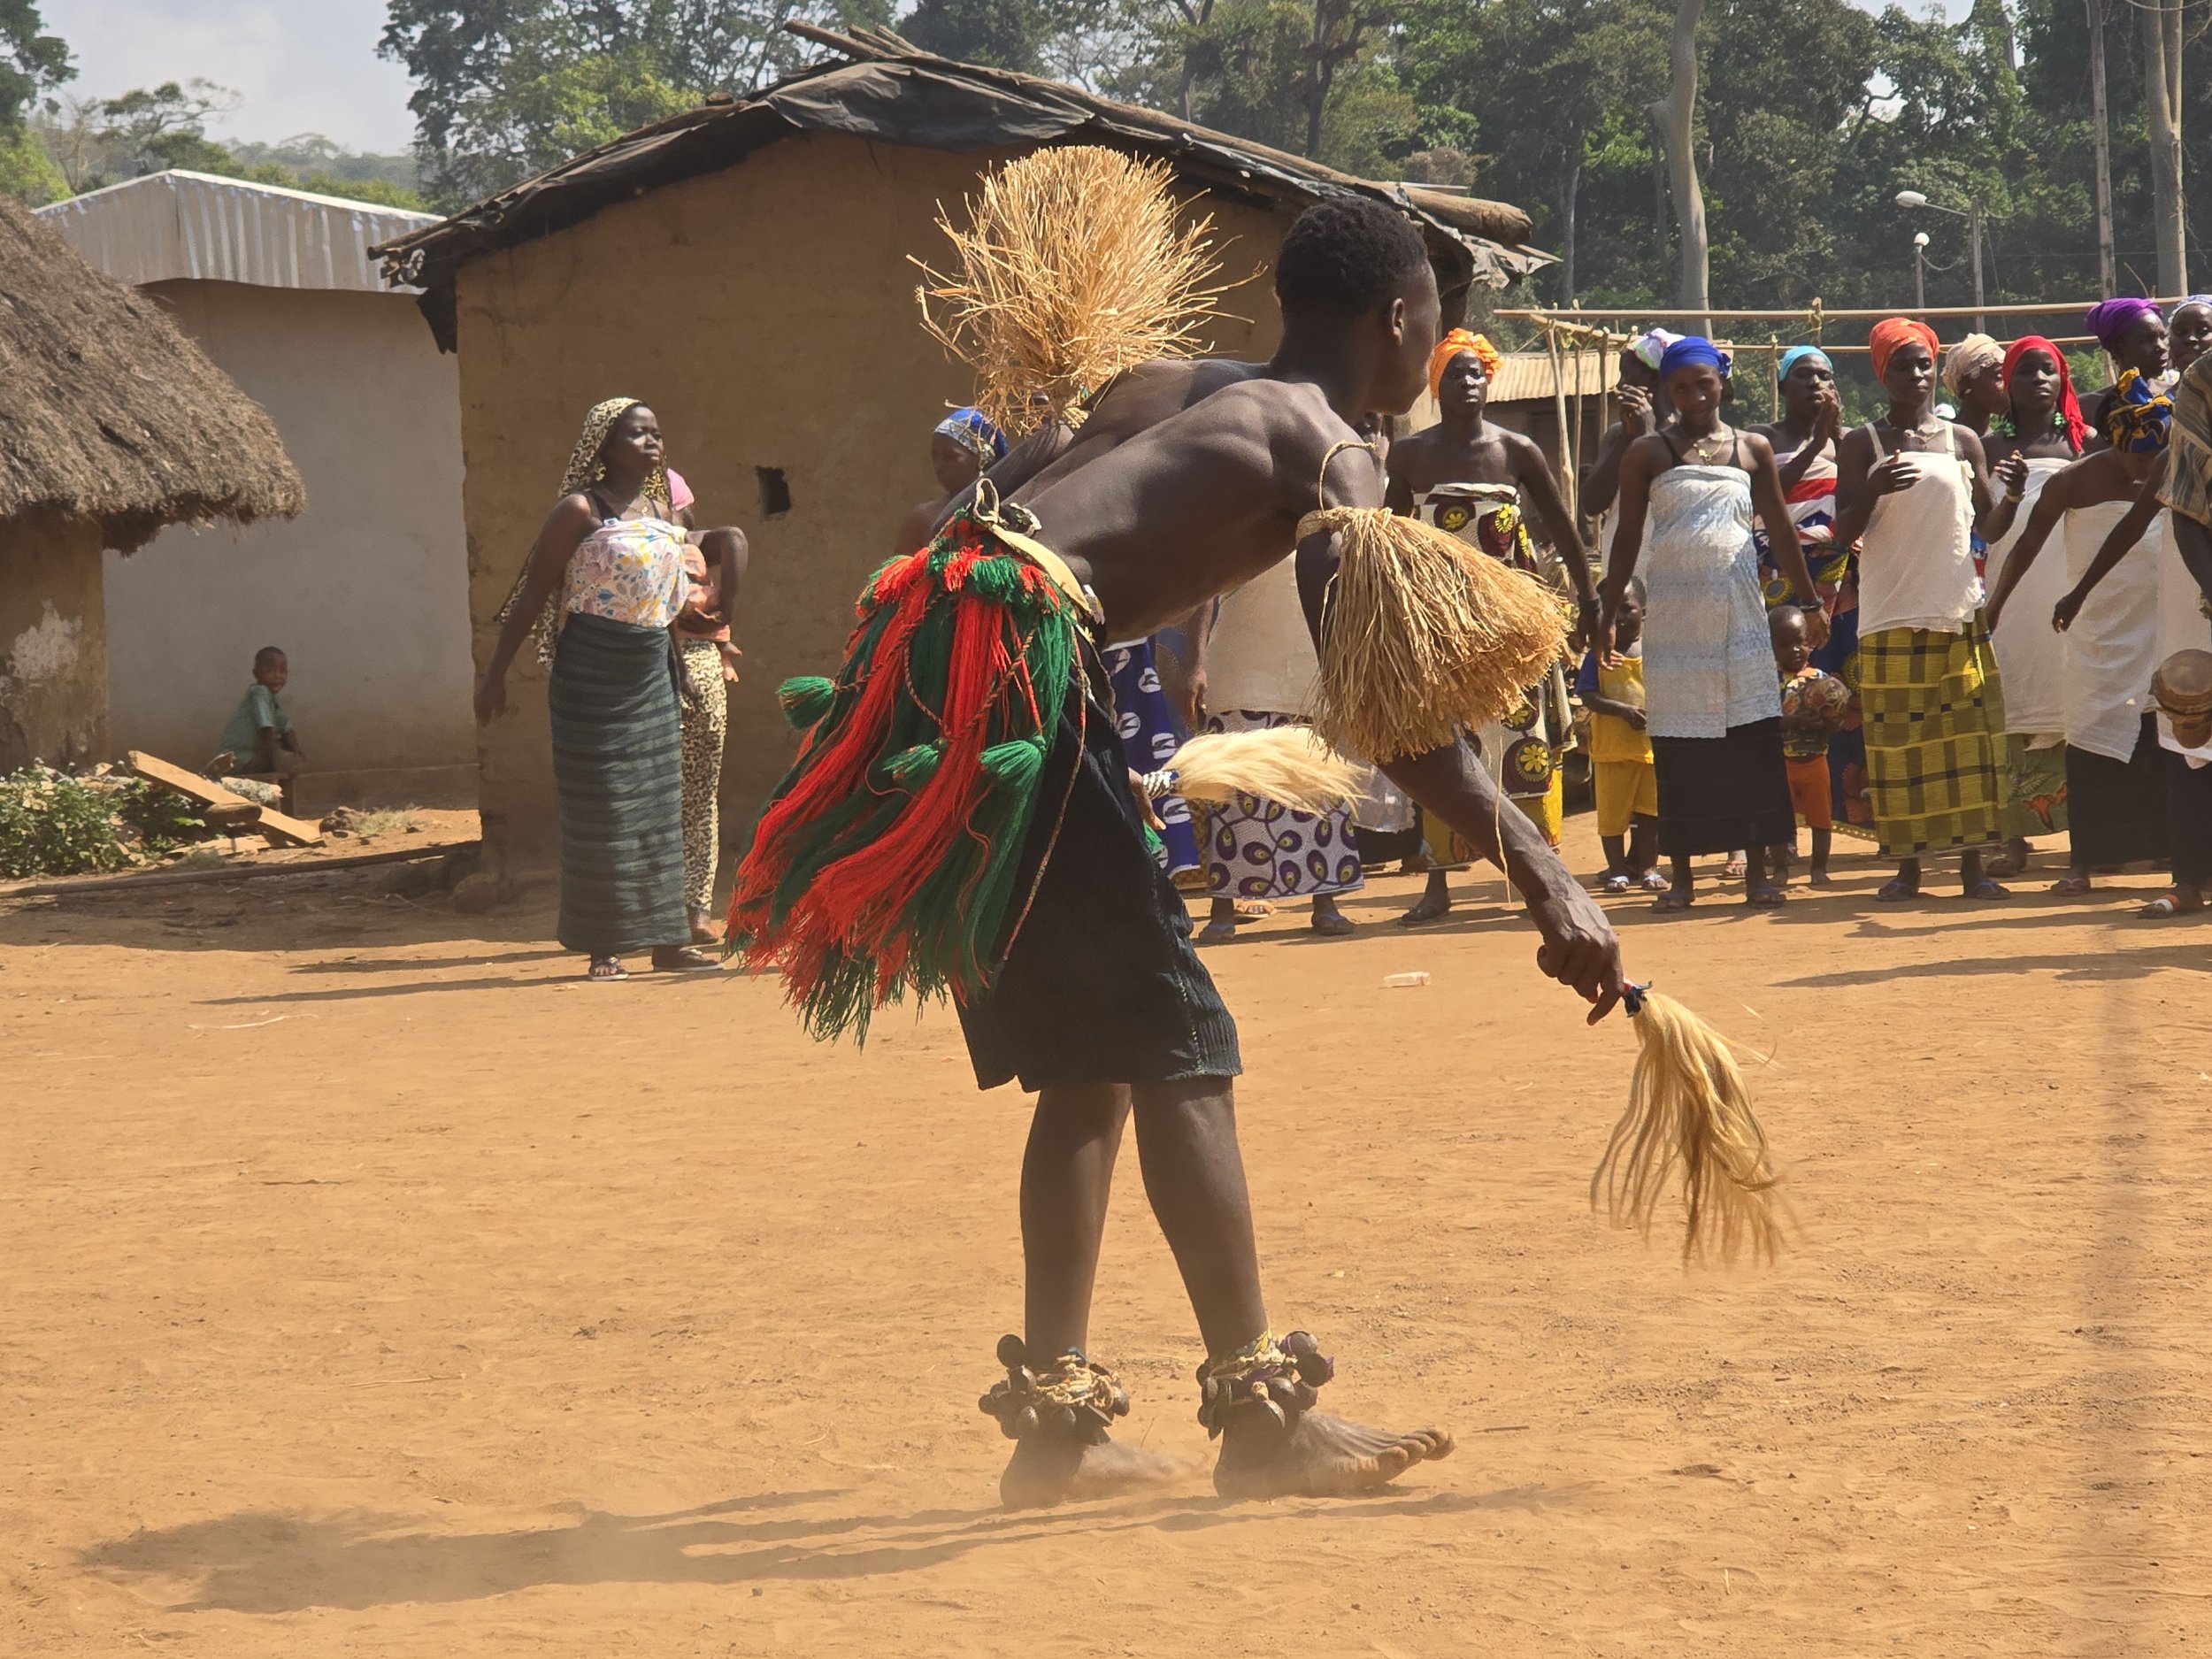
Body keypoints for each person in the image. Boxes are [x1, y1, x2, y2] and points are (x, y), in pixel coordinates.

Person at [730, 197, 1624, 1509]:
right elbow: (1388, 708)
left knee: (1091, 1063)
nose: (1439, 345)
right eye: (1439, 323)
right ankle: (1261, 1419)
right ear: (1398, 321)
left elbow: (970, 514)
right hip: (1026, 679)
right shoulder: (1329, 453)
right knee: (1182, 1043)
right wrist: (1547, 871)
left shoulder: (1169, 384)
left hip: (943, 645)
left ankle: (1058, 1430)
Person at [476, 398, 745, 980]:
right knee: (606, 811)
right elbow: (532, 593)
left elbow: (666, 606)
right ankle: (605, 946)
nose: (651, 442)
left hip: (651, 666)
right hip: (592, 673)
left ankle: (669, 941)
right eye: (635, 433)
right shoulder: (578, 510)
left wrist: (681, 672)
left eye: (655, 433)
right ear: (604, 444)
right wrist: (494, 673)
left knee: (659, 811)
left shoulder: (662, 513)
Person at [1600, 336, 1825, 910]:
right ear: (1667, 390)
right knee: (1681, 746)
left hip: (1741, 622)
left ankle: (1756, 876)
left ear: (1721, 382)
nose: (1693, 396)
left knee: (1748, 744)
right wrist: (1604, 609)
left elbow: (1778, 527)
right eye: (1681, 387)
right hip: (1675, 625)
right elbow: (1627, 538)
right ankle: (1682, 880)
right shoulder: (1648, 453)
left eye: (1703, 384)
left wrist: (1811, 601)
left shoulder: (1751, 449)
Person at [1384, 327, 1598, 925]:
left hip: (1509, 625)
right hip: (1439, 626)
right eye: (1456, 372)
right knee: (1439, 745)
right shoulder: (1410, 456)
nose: (1469, 381)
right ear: (1437, 386)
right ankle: (1438, 883)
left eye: (1477, 371)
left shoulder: (1515, 450)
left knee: (1524, 741)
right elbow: (1391, 536)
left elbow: (1561, 526)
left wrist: (1588, 599)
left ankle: (1543, 874)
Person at [1830, 319, 2024, 902]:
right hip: (1890, 614)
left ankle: (1972, 871)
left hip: (1957, 610)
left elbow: (1989, 525)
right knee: (1898, 749)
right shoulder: (1861, 443)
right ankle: (1908, 871)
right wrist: (1872, 487)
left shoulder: (1962, 440)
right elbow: (1841, 534)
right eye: (1900, 366)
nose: (1913, 375)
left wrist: (2011, 491)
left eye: (1922, 364)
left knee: (1968, 742)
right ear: (1881, 373)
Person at [1985, 303, 2176, 892]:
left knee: (2163, 731)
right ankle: (2083, 862)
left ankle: (2170, 852)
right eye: (2133, 456)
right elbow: (2022, 548)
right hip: (2097, 627)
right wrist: (1993, 611)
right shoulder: (2074, 481)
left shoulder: (2176, 467)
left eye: (2154, 455)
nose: (2142, 468)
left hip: (2163, 618)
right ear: (2111, 442)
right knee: (2092, 733)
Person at [1181, 559, 1360, 940]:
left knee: (1316, 789)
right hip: (1239, 670)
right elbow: (1205, 590)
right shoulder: (1240, 518)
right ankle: (1223, 908)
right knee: (1234, 795)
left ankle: (1325, 903)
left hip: (1307, 672)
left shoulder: (1317, 524)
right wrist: (1196, 664)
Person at [1975, 336, 2085, 876]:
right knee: (2015, 699)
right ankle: (2012, 837)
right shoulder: (1989, 447)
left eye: (2048, 371)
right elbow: (1982, 524)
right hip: (2011, 593)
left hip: (2072, 585)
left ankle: (2087, 833)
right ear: (2007, 385)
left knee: (2075, 698)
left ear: (2062, 379)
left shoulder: (2081, 446)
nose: (2038, 380)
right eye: (2025, 372)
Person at [1751, 346, 1867, 834]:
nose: (1816, 385)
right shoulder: (1761, 439)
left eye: (1825, 376)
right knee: (1780, 691)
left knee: (1846, 692)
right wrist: (1813, 443)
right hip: (1779, 579)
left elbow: (1859, 506)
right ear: (1782, 387)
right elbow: (1765, 499)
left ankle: (1848, 814)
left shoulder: (1850, 442)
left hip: (1844, 580)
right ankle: (1779, 820)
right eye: (1803, 376)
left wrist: (1834, 440)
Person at [2147, 346, 2212, 915]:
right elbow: (2186, 505)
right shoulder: (2204, 379)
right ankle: (2189, 878)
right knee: (2192, 717)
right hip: (2204, 578)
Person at [669, 472, 748, 942]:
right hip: (655, 673)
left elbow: (734, 538)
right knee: (677, 799)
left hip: (693, 673)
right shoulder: (632, 548)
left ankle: (694, 910)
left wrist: (728, 609)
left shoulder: (689, 546)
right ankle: (680, 911)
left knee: (695, 796)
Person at [1576, 579, 1662, 892]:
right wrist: (1622, 710)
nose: (1618, 618)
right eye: (1609, 611)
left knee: (1650, 815)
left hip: (1650, 750)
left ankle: (1650, 868)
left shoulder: (1655, 653)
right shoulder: (1597, 655)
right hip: (1611, 751)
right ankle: (1617, 871)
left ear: (1645, 611)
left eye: (1626, 608)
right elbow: (1587, 694)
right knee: (1612, 817)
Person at [1770, 605, 1844, 885]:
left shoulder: (1822, 682)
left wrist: (1828, 723)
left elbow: (1834, 723)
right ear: (1771, 647)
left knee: (1821, 819)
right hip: (1781, 764)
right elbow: (1765, 721)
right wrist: (1794, 722)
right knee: (1779, 820)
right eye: (1785, 644)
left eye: (1800, 642)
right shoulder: (1770, 682)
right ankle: (1780, 870)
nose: (1795, 650)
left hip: (1815, 762)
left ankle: (1818, 868)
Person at [894, 407, 1007, 556]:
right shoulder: (922, 520)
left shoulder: (1008, 519)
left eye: (950, 457)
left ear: (981, 460)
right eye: (935, 456)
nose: (939, 466)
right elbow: (899, 576)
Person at [210, 646, 303, 814]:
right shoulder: (259, 692)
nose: (278, 676)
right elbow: (266, 729)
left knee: (292, 762)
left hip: (254, 754)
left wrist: (297, 752)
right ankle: (279, 812)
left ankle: (284, 811)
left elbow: (286, 728)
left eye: (283, 671)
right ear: (256, 674)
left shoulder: (272, 697)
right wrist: (275, 760)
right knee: (285, 765)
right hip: (237, 759)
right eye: (270, 670)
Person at [1942, 334, 2008, 435]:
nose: (2007, 387)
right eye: (1999, 377)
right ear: (1966, 383)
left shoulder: (2000, 442)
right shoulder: (1945, 439)